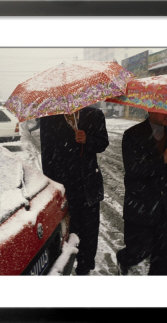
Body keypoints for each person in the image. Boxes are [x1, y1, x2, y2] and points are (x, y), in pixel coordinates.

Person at [40, 106, 109, 275]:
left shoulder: (94, 114)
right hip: (64, 187)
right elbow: (46, 154)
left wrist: (88, 140)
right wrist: (53, 187)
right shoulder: (49, 116)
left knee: (88, 235)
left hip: (88, 187)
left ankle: (84, 269)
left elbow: (103, 143)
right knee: (65, 236)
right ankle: (63, 269)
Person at [117, 112, 167, 275]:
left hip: (166, 208)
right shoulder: (132, 135)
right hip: (141, 206)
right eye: (163, 108)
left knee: (164, 260)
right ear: (150, 109)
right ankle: (124, 259)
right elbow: (133, 169)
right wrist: (162, 159)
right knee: (137, 252)